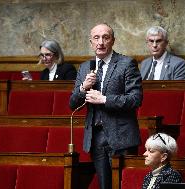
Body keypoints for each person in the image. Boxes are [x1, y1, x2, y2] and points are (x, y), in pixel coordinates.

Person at [69, 23, 142, 189]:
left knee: (124, 186)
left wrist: (104, 99)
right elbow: (72, 103)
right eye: (96, 38)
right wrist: (83, 88)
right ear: (91, 42)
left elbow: (135, 99)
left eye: (105, 37)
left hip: (121, 137)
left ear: (113, 41)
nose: (100, 42)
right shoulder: (85, 67)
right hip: (96, 138)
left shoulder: (126, 63)